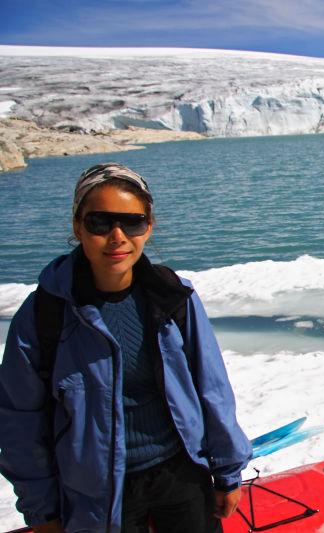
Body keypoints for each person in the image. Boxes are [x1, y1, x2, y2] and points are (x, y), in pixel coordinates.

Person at [0, 163, 252, 532]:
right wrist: (42, 510)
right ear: (78, 226)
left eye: (132, 222)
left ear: (148, 227)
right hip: (95, 494)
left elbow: (211, 388)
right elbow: (19, 420)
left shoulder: (171, 297)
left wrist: (228, 471)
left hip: (179, 476)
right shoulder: (44, 314)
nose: (117, 236)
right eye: (100, 223)